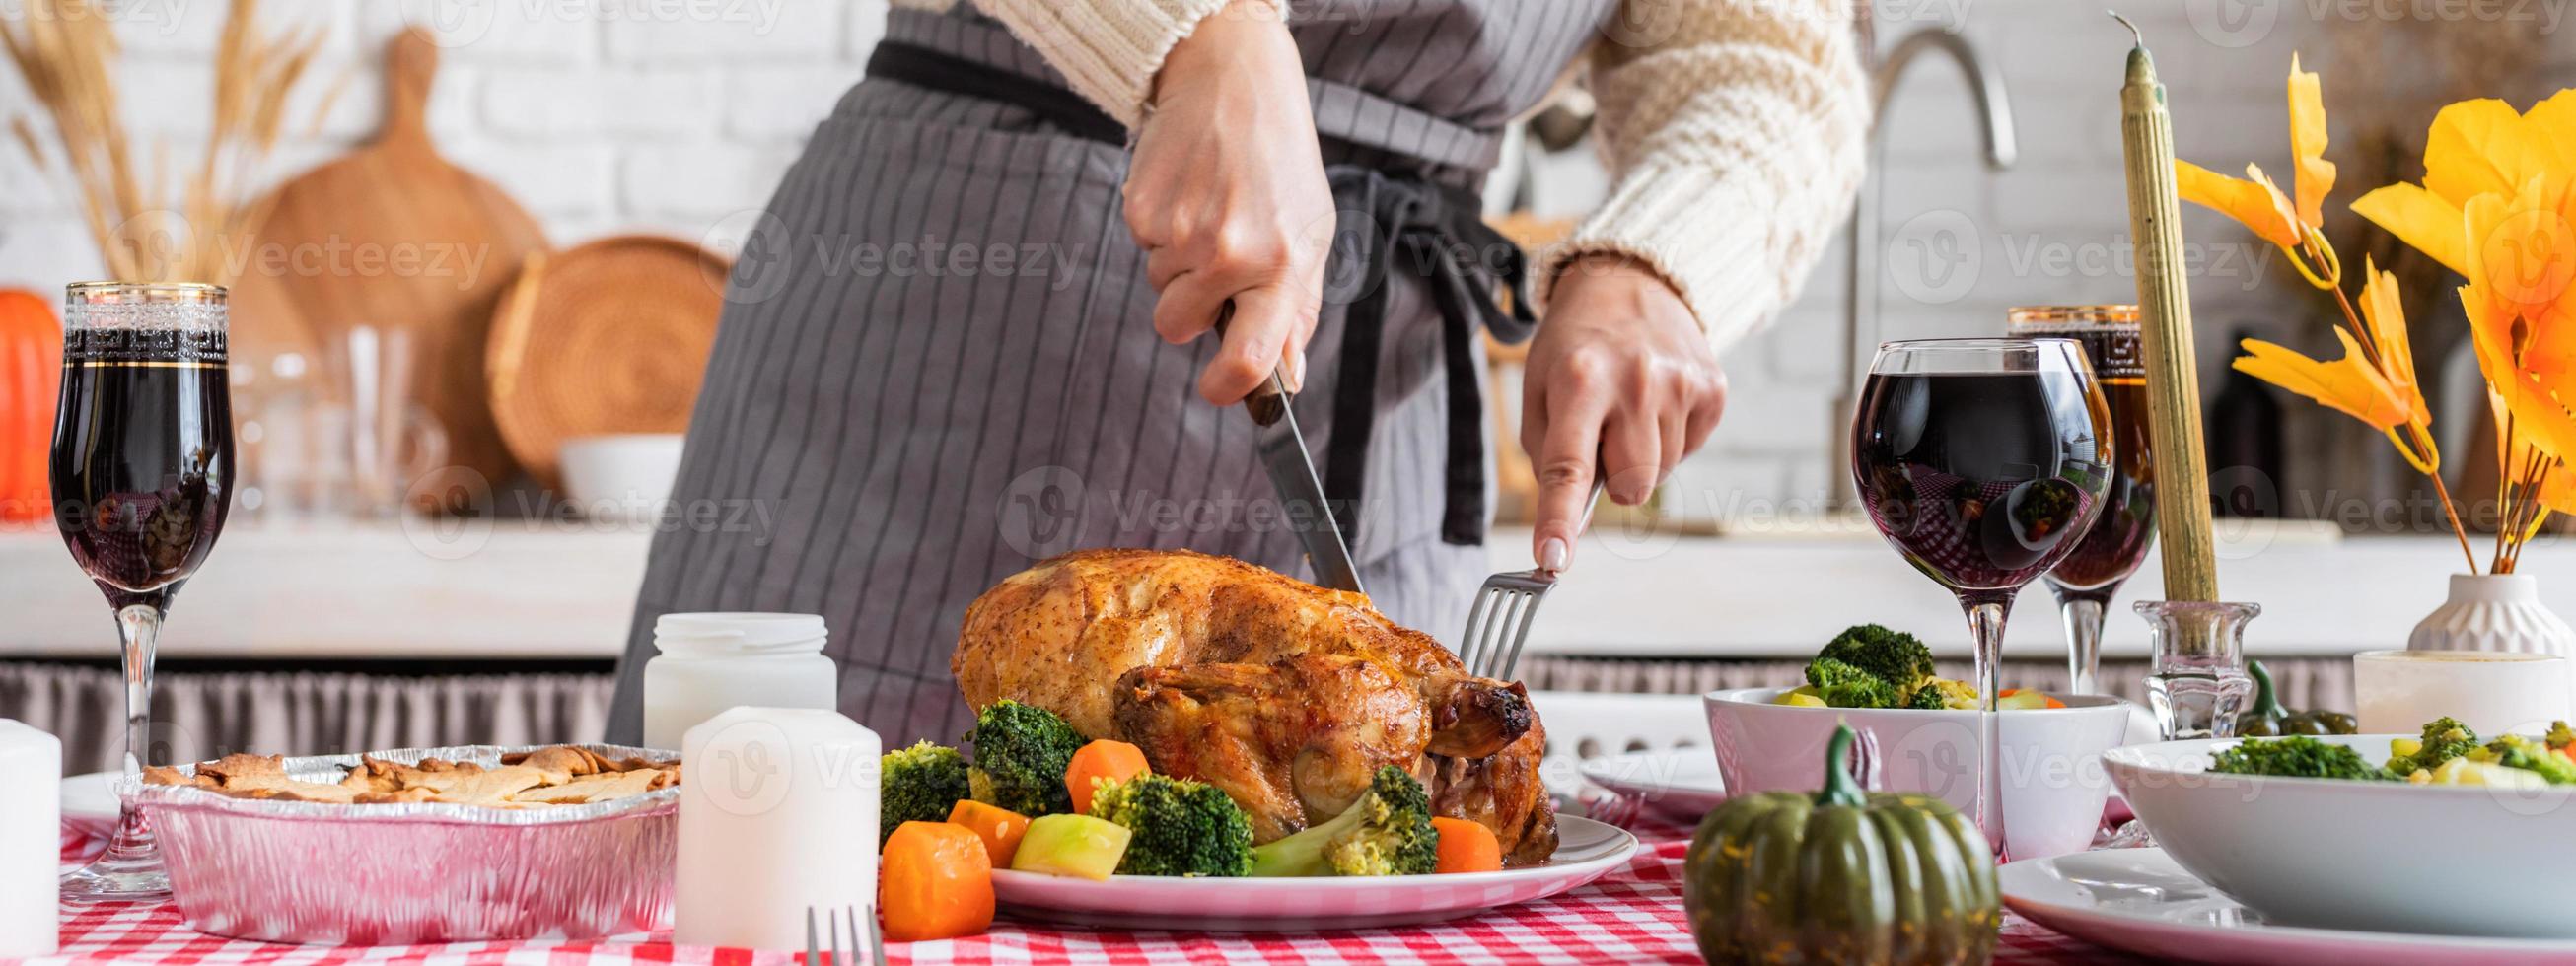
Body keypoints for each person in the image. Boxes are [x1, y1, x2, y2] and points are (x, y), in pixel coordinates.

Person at [606, 0, 1868, 746]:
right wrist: (1195, 31)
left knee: (1358, 803)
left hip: (1380, 401)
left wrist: (1657, 261)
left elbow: (1765, 54)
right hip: (942, 340)